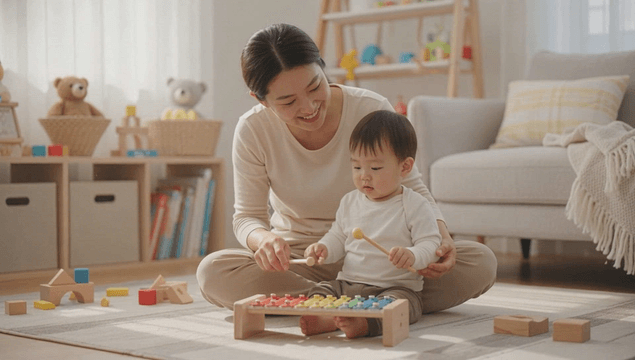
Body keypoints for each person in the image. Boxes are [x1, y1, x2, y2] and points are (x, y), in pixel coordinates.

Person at [196, 23, 496, 315]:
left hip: (384, 259)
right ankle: (376, 304)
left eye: (315, 86)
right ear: (261, 100)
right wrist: (263, 240)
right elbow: (247, 217)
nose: (309, 107)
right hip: (305, 258)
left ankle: (324, 303)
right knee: (213, 272)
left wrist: (441, 238)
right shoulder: (253, 130)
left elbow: (413, 188)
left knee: (480, 262)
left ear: (323, 68)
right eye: (288, 102)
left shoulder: (370, 109)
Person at [300, 110, 442, 339]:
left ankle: (366, 325)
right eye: (357, 167)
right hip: (348, 285)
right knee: (322, 290)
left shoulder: (414, 204)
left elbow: (431, 242)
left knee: (401, 307)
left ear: (404, 167)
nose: (364, 176)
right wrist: (324, 247)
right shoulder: (349, 201)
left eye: (375, 168)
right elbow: (338, 236)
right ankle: (327, 318)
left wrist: (413, 255)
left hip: (394, 287)